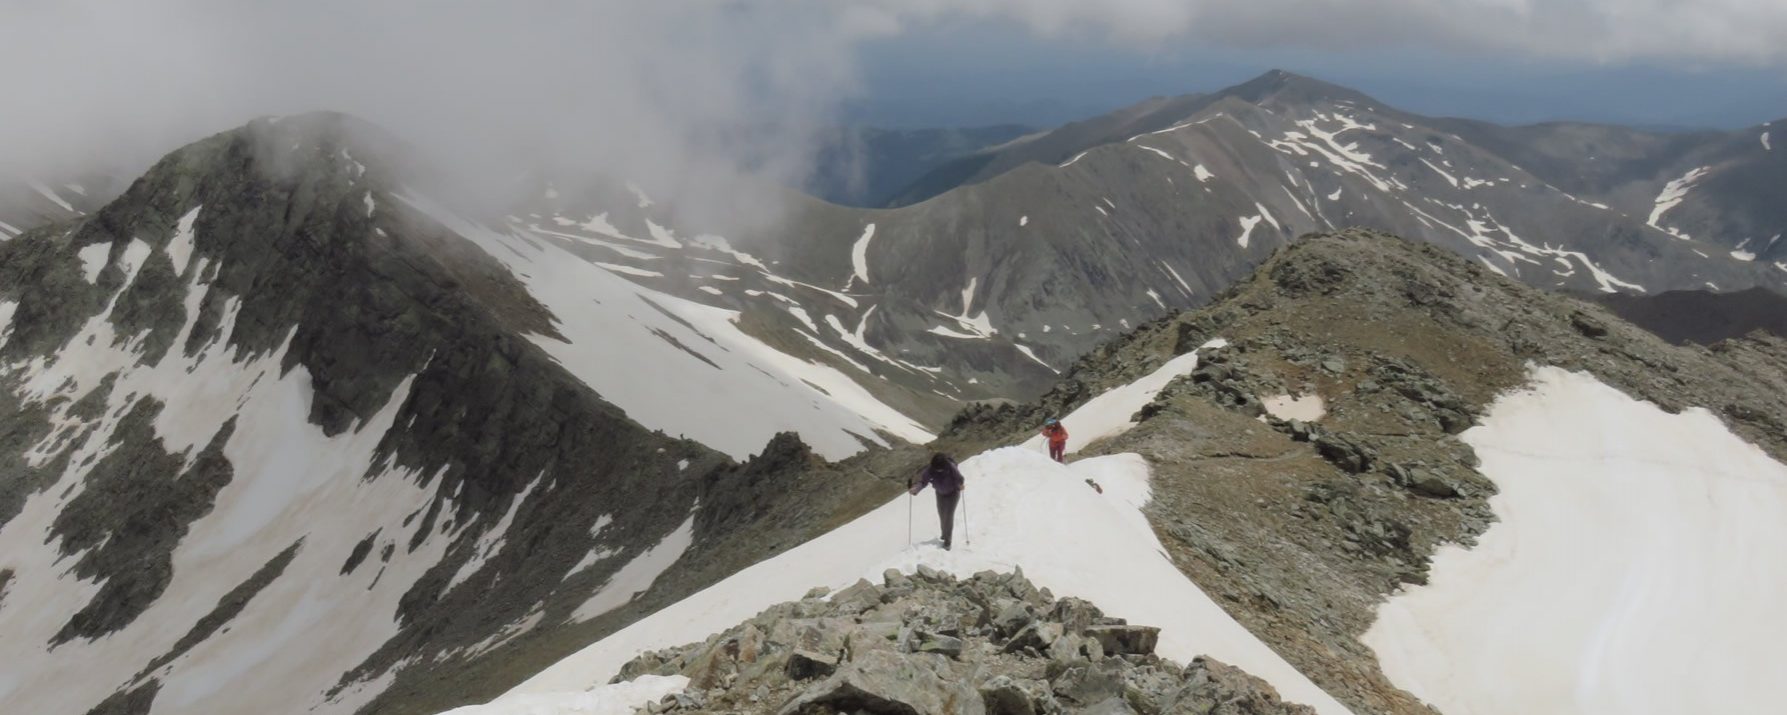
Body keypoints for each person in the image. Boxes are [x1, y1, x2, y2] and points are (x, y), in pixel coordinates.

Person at [909, 452, 964, 550]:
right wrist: (916, 489)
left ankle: (948, 540)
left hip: (953, 493)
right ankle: (944, 533)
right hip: (940, 494)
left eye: (940, 469)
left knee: (948, 516)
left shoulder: (951, 467)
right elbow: (923, 481)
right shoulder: (930, 469)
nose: (938, 471)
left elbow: (959, 478)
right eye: (937, 469)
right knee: (942, 514)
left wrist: (960, 485)